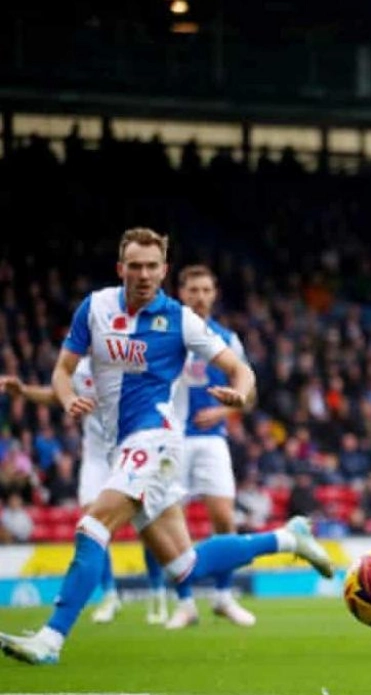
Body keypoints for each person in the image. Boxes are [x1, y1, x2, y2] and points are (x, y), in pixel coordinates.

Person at [0, 228, 333, 666]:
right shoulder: (95, 307)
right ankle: (289, 537)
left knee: (93, 525)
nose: (142, 274)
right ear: (121, 269)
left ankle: (51, 637)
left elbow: (239, 368)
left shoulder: (180, 320)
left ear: (163, 271)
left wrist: (239, 392)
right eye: (134, 265)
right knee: (185, 567)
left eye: (151, 266)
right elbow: (63, 371)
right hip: (123, 447)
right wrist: (65, 398)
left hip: (156, 440)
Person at [160, 264, 255, 629]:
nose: (199, 296)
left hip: (212, 439)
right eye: (192, 290)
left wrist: (223, 409)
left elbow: (250, 391)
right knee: (169, 523)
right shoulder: (167, 332)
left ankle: (223, 597)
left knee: (224, 519)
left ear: (214, 293)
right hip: (170, 438)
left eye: (205, 289)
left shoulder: (226, 339)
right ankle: (184, 603)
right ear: (181, 293)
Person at [1, 360, 126, 624]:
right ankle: (111, 594)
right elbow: (57, 395)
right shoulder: (82, 368)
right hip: (95, 459)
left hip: (128, 452)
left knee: (151, 525)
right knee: (91, 525)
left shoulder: (127, 359)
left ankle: (172, 596)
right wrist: (23, 390)